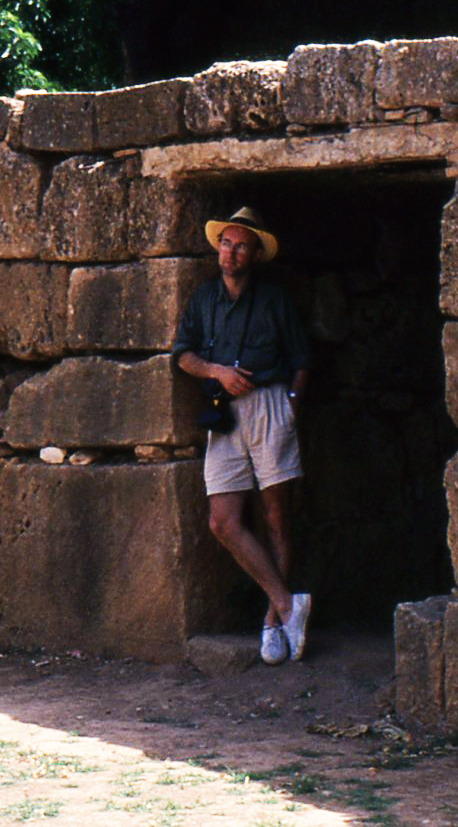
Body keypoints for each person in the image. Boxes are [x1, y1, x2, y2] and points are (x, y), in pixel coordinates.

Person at [171, 206, 313, 665]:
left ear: (255, 254)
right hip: (223, 413)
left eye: (241, 246)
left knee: (275, 519)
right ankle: (289, 604)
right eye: (226, 244)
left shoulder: (275, 301)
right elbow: (182, 355)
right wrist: (216, 372)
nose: (231, 252)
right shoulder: (202, 300)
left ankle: (272, 625)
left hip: (270, 405)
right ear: (218, 248)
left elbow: (302, 361)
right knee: (223, 521)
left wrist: (289, 407)